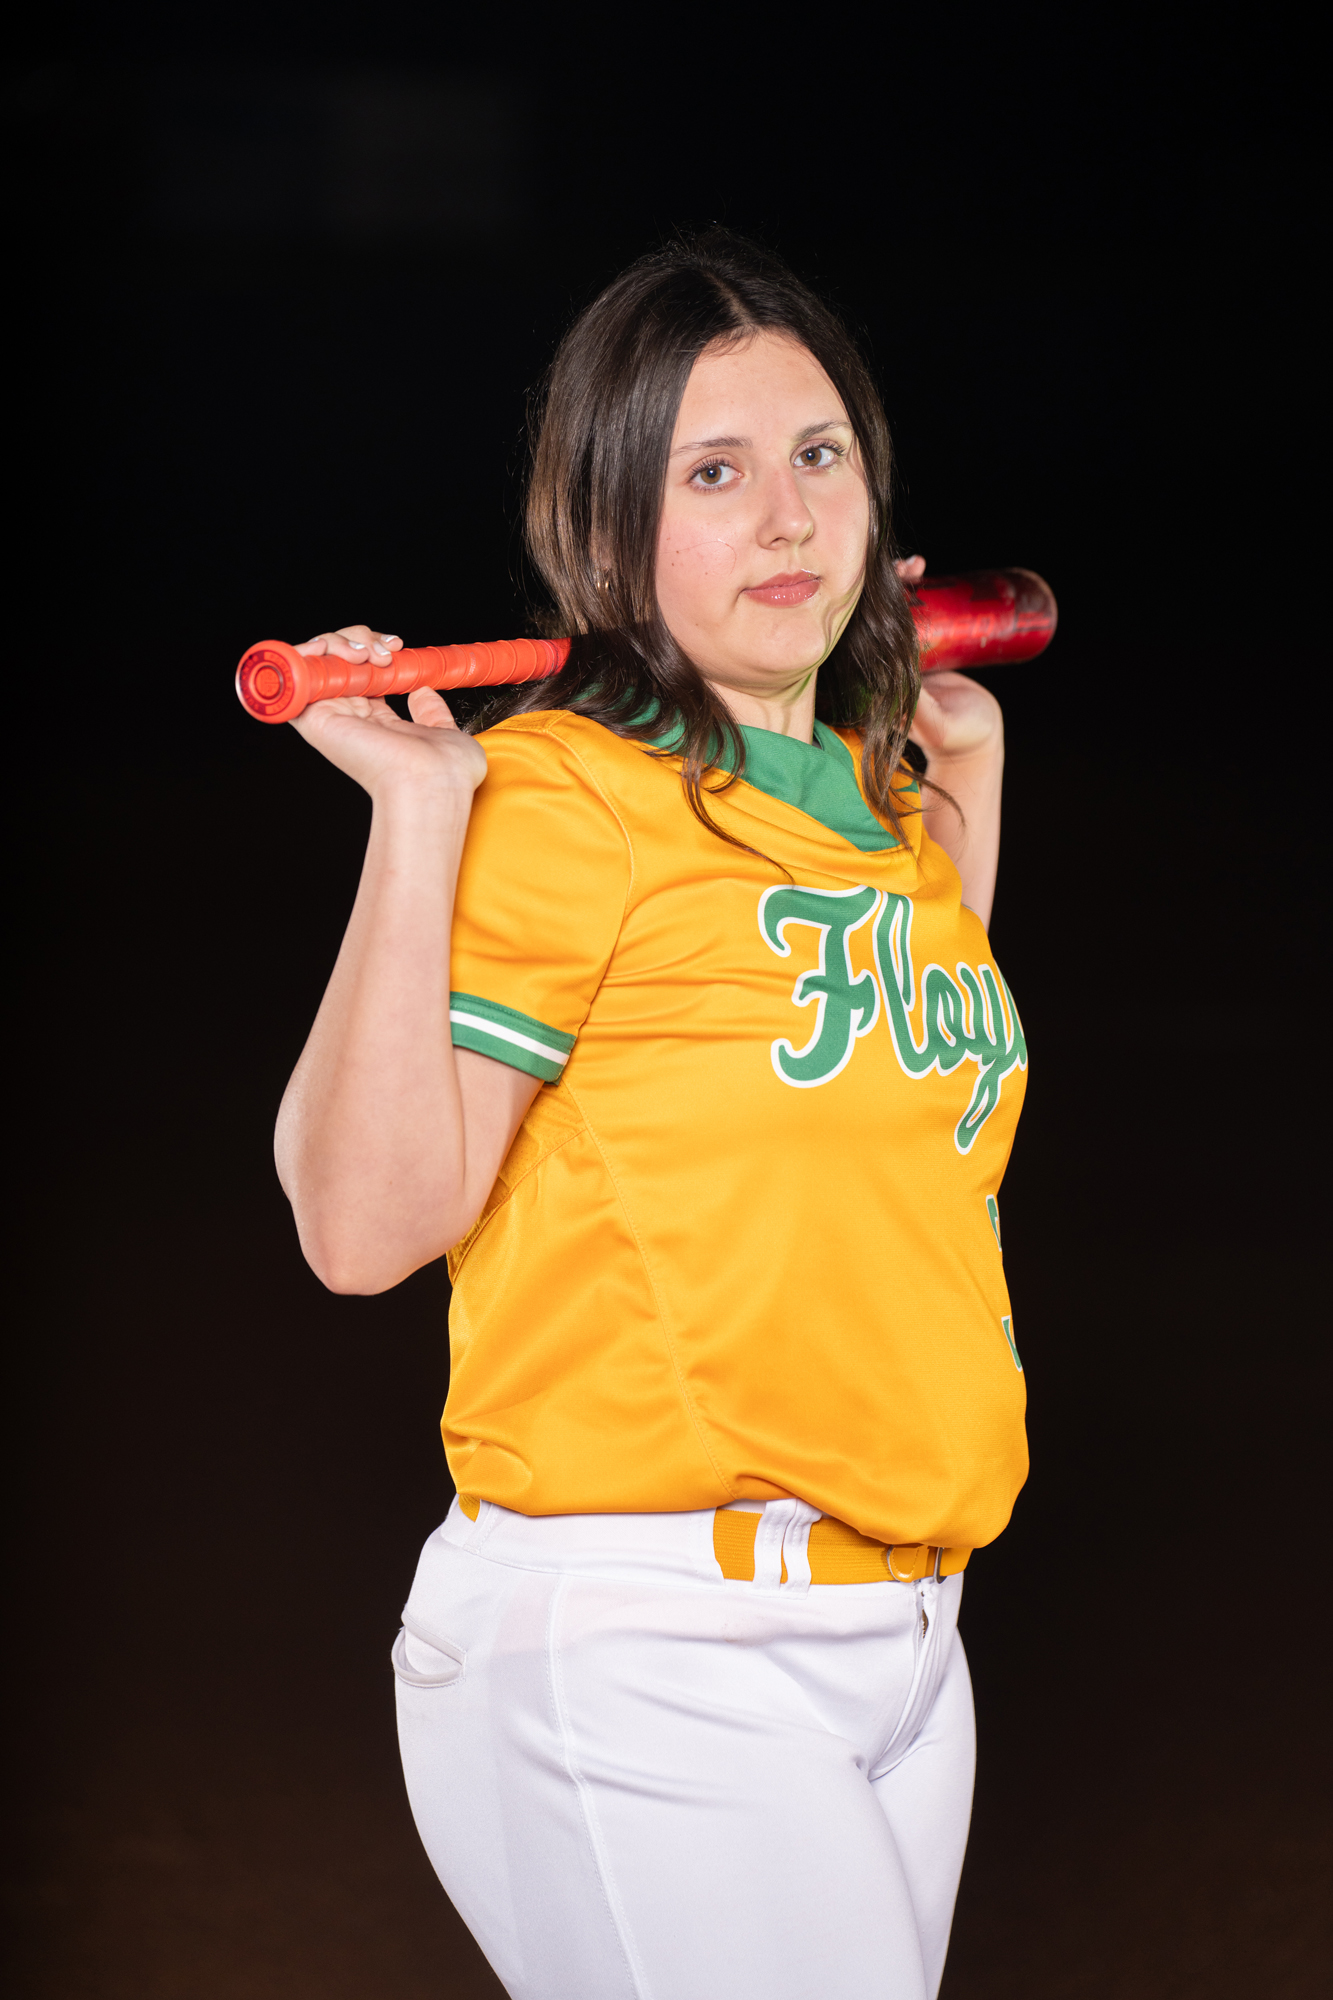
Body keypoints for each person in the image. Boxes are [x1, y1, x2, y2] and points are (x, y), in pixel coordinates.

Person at [274, 231, 1027, 2000]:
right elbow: (359, 1228)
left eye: (818, 456)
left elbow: (897, 1135)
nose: (787, 515)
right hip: (653, 1642)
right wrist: (419, 814)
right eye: (713, 473)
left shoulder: (869, 799)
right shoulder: (566, 800)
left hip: (905, 1642)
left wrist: (963, 783)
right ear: (609, 541)